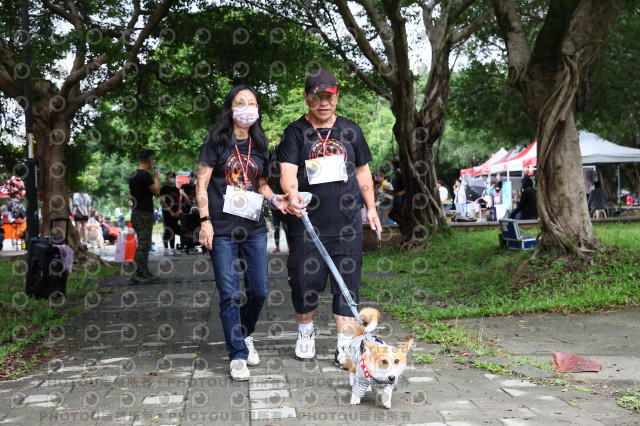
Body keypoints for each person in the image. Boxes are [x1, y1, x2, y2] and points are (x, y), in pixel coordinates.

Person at [278, 69, 381, 367]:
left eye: (329, 96)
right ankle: (306, 332)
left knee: (347, 285)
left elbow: (362, 171)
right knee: (304, 283)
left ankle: (345, 346)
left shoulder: (351, 130)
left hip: (346, 225)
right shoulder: (295, 132)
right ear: (306, 98)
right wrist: (292, 194)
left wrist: (371, 208)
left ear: (336, 96)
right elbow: (286, 171)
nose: (324, 102)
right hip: (307, 225)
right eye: (317, 97)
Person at [197, 85, 289, 381]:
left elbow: (260, 184)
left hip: (253, 227)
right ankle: (237, 355)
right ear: (230, 108)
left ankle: (246, 334)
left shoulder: (260, 143)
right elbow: (201, 184)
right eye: (241, 102)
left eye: (252, 102)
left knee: (259, 290)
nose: (247, 107)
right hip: (221, 228)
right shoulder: (215, 141)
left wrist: (275, 199)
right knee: (229, 293)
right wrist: (204, 220)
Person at [128, 149, 160, 283]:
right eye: (153, 159)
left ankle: (143, 270)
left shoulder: (133, 175)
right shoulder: (145, 176)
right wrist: (156, 178)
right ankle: (139, 273)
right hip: (143, 214)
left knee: (144, 244)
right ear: (149, 160)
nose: (154, 162)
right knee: (144, 244)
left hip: (136, 213)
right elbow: (156, 191)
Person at [159, 171, 182, 255]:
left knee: (174, 229)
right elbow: (163, 201)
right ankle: (166, 248)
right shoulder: (164, 189)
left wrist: (178, 211)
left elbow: (179, 200)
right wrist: (170, 211)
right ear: (167, 178)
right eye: (171, 176)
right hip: (167, 212)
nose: (172, 178)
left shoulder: (176, 189)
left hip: (175, 212)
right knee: (168, 229)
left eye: (173, 176)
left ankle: (172, 248)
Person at [388, 157, 404, 224]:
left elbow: (409, 186)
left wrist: (402, 192)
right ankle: (403, 225)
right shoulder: (397, 174)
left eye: (391, 164)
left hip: (400, 198)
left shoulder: (402, 174)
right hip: (396, 198)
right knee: (394, 215)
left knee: (392, 214)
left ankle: (404, 224)